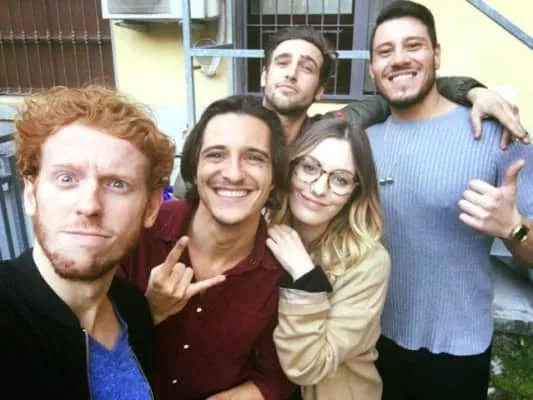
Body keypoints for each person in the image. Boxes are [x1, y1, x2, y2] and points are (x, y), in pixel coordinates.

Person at [364, 2, 533, 399]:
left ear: (437, 55)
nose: (399, 59)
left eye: (413, 46)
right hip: (372, 340)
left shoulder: (496, 135)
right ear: (372, 69)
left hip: (457, 349)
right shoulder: (363, 142)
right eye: (385, 51)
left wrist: (513, 228)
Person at [174, 26, 527, 198]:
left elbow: (399, 89)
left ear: (320, 90)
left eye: (307, 67)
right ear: (265, 75)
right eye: (282, 63)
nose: (291, 73)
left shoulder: (329, 132)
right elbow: (184, 192)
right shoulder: (227, 128)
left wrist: (472, 90)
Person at [0, 85, 176, 399]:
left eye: (117, 184)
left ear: (151, 208)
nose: (89, 205)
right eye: (66, 178)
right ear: (31, 193)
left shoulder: (133, 308)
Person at [119, 95, 297, 400]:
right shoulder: (139, 230)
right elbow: (85, 345)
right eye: (216, 155)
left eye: (254, 158)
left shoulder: (281, 268)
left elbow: (276, 377)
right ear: (194, 167)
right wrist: (148, 311)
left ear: (274, 178)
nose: (234, 174)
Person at [267, 117, 390, 399]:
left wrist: (305, 277)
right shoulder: (260, 228)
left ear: (355, 192)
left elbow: (308, 366)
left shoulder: (368, 262)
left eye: (340, 180)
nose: (319, 188)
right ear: (291, 168)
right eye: (310, 168)